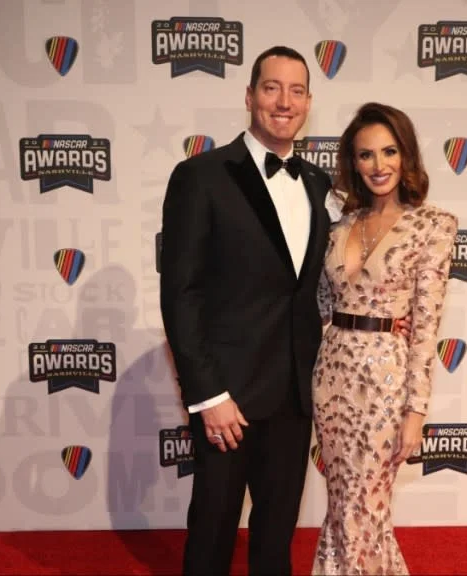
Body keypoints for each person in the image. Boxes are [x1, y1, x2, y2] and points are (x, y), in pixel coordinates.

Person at [159, 47, 409, 576]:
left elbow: (340, 277)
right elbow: (181, 293)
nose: (283, 102)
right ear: (250, 96)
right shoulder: (201, 176)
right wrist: (208, 395)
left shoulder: (321, 186)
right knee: (213, 533)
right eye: (271, 88)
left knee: (276, 539)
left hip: (297, 395)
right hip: (228, 399)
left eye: (296, 91)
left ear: (308, 103)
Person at [311, 102, 458, 575]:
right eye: (366, 154)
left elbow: (426, 325)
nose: (379, 165)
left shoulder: (433, 225)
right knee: (342, 503)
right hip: (332, 375)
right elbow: (319, 305)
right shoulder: (339, 226)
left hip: (386, 379)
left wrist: (416, 410)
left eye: (389, 151)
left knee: (367, 503)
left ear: (406, 155)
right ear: (353, 163)